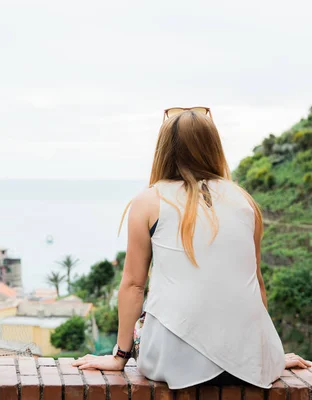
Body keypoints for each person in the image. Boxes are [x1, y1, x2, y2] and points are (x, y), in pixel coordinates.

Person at [72, 107, 311, 389]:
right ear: (213, 147)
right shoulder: (245, 201)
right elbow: (256, 284)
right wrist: (264, 355)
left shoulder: (149, 201)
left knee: (144, 324)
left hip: (174, 362)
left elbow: (134, 286)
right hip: (251, 368)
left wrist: (120, 356)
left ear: (164, 150)